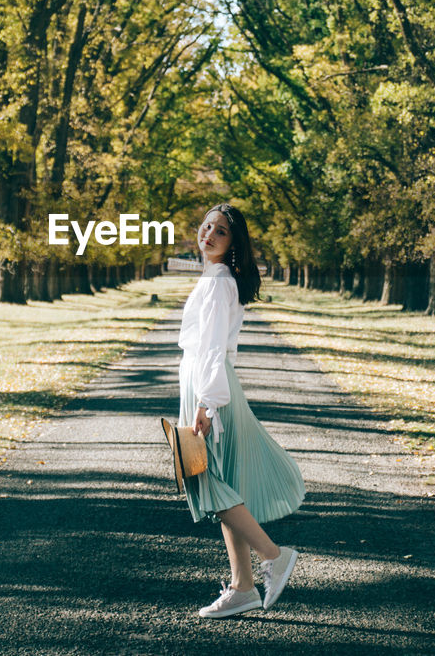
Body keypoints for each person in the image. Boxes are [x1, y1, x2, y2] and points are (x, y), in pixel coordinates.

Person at [177, 203, 306, 619]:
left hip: (209, 390)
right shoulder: (216, 279)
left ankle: (274, 555)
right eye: (207, 226)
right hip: (204, 387)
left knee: (210, 481)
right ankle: (243, 587)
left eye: (221, 232)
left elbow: (214, 349)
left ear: (234, 244)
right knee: (220, 480)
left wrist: (206, 404)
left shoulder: (218, 282)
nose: (210, 234)